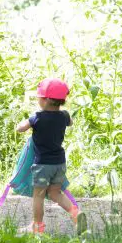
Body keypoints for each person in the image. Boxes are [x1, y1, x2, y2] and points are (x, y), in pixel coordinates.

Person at [16, 78, 87, 235]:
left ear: (46, 100)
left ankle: (37, 227)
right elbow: (71, 122)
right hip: (59, 163)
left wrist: (22, 123)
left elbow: (20, 128)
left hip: (43, 165)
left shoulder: (37, 118)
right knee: (55, 193)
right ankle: (76, 214)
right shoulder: (64, 116)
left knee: (38, 196)